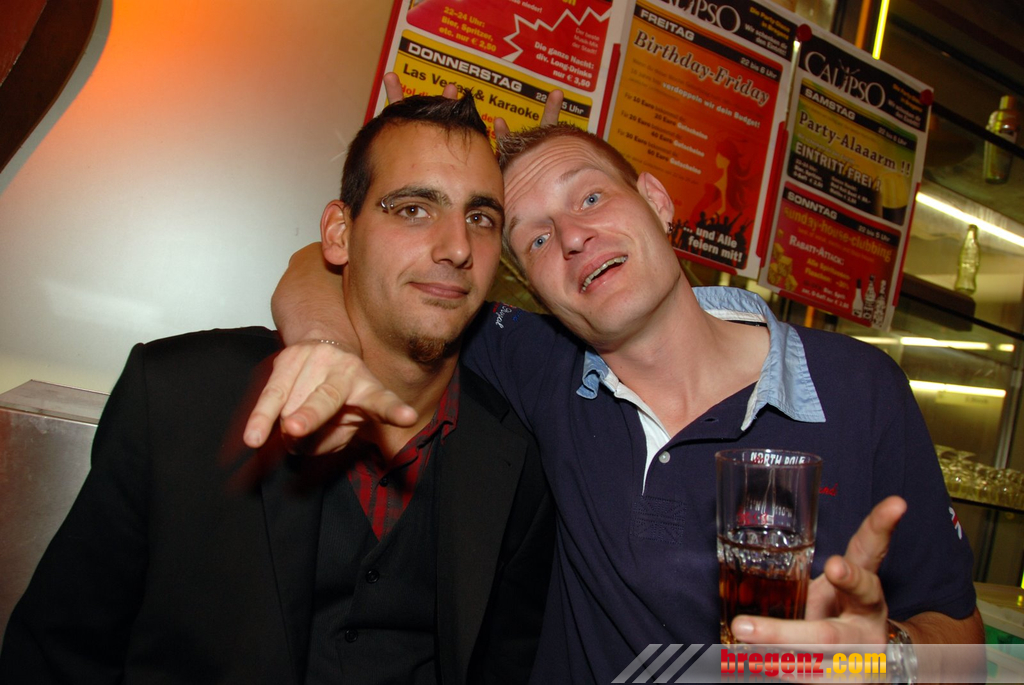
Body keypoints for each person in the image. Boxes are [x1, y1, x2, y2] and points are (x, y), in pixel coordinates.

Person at [245, 88, 983, 681]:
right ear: (527, 283)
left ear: (656, 201)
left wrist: (887, 658)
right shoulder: (538, 364)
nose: (572, 236)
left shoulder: (858, 387)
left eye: (591, 198)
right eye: (536, 238)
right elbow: (338, 267)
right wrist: (325, 347)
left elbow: (965, 647)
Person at [0, 94, 555, 685]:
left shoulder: (518, 461)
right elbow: (57, 655)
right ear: (339, 234)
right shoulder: (177, 396)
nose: (457, 247)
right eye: (413, 209)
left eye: (481, 218)